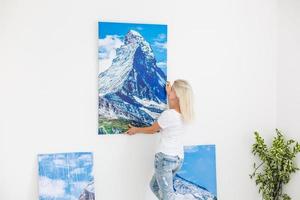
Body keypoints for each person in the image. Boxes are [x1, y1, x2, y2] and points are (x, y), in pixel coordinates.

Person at [126, 79, 194, 200]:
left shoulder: (169, 115)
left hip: (165, 159)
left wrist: (136, 130)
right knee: (154, 186)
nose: (170, 91)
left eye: (172, 89)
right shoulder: (186, 115)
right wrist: (169, 94)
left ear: (177, 95)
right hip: (178, 159)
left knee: (167, 196)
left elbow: (153, 129)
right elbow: (173, 109)